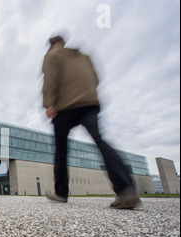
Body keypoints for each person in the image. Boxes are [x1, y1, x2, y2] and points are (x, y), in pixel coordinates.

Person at [41, 35, 141, 209]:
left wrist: (49, 103)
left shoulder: (52, 55)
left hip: (65, 106)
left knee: (61, 149)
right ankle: (126, 189)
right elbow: (95, 79)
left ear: (51, 44)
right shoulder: (82, 55)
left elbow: (50, 79)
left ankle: (61, 193)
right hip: (89, 103)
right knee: (100, 141)